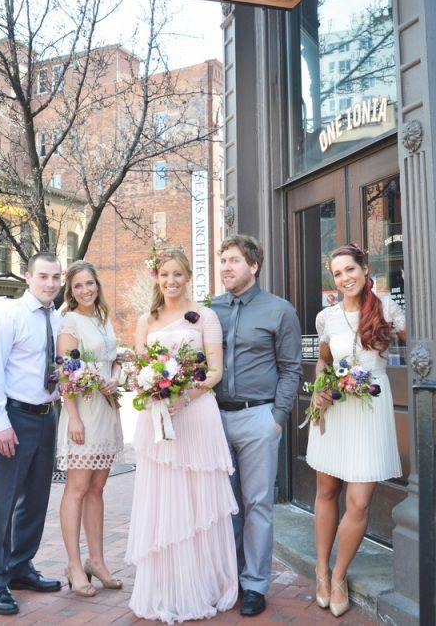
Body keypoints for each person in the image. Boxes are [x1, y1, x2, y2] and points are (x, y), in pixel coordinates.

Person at [126, 248, 238, 624]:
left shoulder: (205, 316)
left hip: (196, 413)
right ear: (156, 278)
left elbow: (215, 371)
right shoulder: (147, 319)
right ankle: (167, 584)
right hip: (159, 417)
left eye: (177, 274)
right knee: (164, 497)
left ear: (188, 275)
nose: (171, 281)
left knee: (197, 499)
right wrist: (154, 391)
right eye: (164, 275)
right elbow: (142, 369)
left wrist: (184, 396)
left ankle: (203, 583)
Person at [306, 243, 406, 618]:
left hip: (369, 411)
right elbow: (323, 364)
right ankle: (320, 570)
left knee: (359, 501)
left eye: (350, 269)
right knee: (327, 489)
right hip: (335, 411)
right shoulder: (326, 317)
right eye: (337, 273)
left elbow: (421, 347)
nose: (345, 277)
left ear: (365, 269)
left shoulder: (386, 310)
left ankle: (339, 576)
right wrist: (320, 390)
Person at [211, 235, 302, 617]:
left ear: (254, 266)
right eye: (223, 261)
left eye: (233, 260)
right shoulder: (210, 310)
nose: (226, 267)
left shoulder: (279, 311)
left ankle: (254, 584)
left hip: (258, 417)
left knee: (257, 504)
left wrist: (277, 418)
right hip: (214, 419)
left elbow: (291, 368)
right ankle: (228, 577)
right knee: (223, 505)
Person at [0, 252, 63, 616]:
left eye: (55, 277)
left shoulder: (58, 319)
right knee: (3, 501)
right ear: (28, 277)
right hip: (14, 416)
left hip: (47, 416)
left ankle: (20, 567)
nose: (50, 283)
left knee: (36, 497)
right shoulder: (9, 316)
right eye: (43, 276)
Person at [56, 260, 124, 597]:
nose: (86, 290)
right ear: (71, 290)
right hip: (83, 412)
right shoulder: (70, 322)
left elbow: (109, 360)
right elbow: (66, 373)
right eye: (79, 285)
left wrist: (116, 377)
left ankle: (96, 561)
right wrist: (75, 418)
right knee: (77, 489)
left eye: (90, 283)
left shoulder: (102, 318)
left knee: (98, 489)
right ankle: (73, 563)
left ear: (97, 284)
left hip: (107, 413)